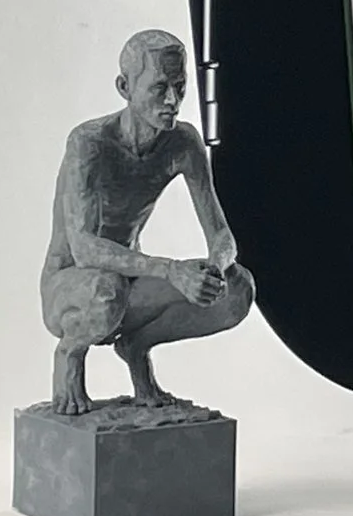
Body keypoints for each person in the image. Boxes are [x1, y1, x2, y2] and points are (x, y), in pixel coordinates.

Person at [41, 30, 254, 414]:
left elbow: (222, 235)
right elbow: (84, 247)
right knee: (107, 290)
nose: (173, 101)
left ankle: (136, 347)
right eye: (160, 88)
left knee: (238, 289)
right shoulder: (89, 144)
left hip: (129, 282)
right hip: (71, 285)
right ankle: (70, 354)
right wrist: (171, 271)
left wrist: (213, 270)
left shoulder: (183, 143)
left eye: (180, 87)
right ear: (125, 87)